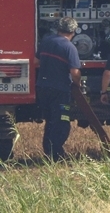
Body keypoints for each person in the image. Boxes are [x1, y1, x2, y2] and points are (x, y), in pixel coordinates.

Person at [35, 17, 81, 161]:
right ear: (73, 31)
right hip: (60, 90)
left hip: (42, 88)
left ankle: (48, 151)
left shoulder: (46, 41)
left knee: (50, 120)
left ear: (58, 28)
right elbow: (75, 72)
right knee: (61, 121)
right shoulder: (69, 48)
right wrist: (78, 84)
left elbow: (37, 62)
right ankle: (56, 154)